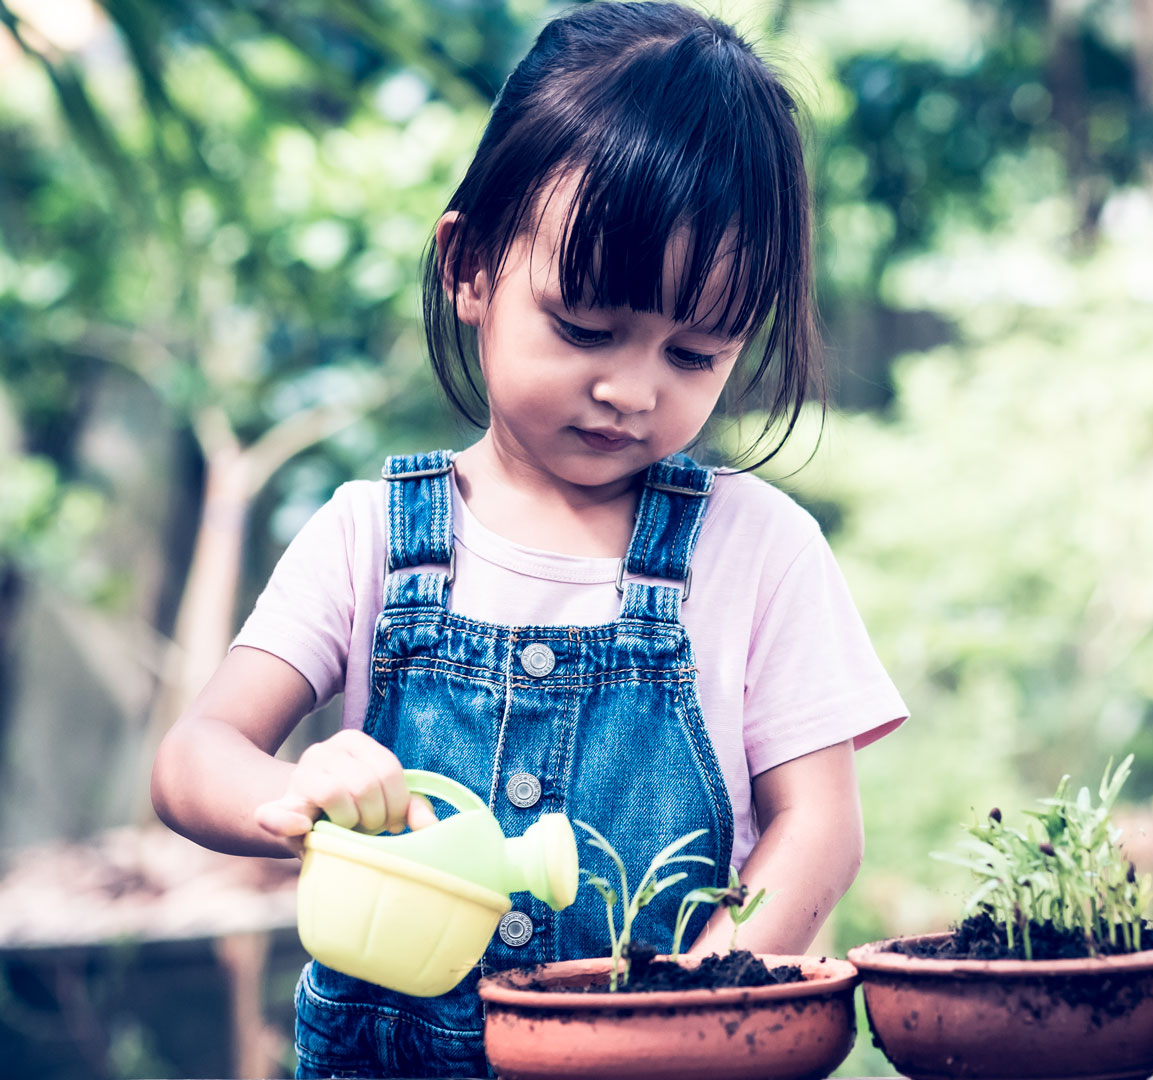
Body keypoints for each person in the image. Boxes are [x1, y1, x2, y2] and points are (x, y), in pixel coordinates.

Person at [149, 3, 907, 1075]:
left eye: (694, 354)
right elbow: (193, 758)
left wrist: (695, 1008)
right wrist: (297, 793)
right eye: (585, 328)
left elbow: (820, 830)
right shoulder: (372, 538)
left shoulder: (759, 551)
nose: (631, 389)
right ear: (470, 266)